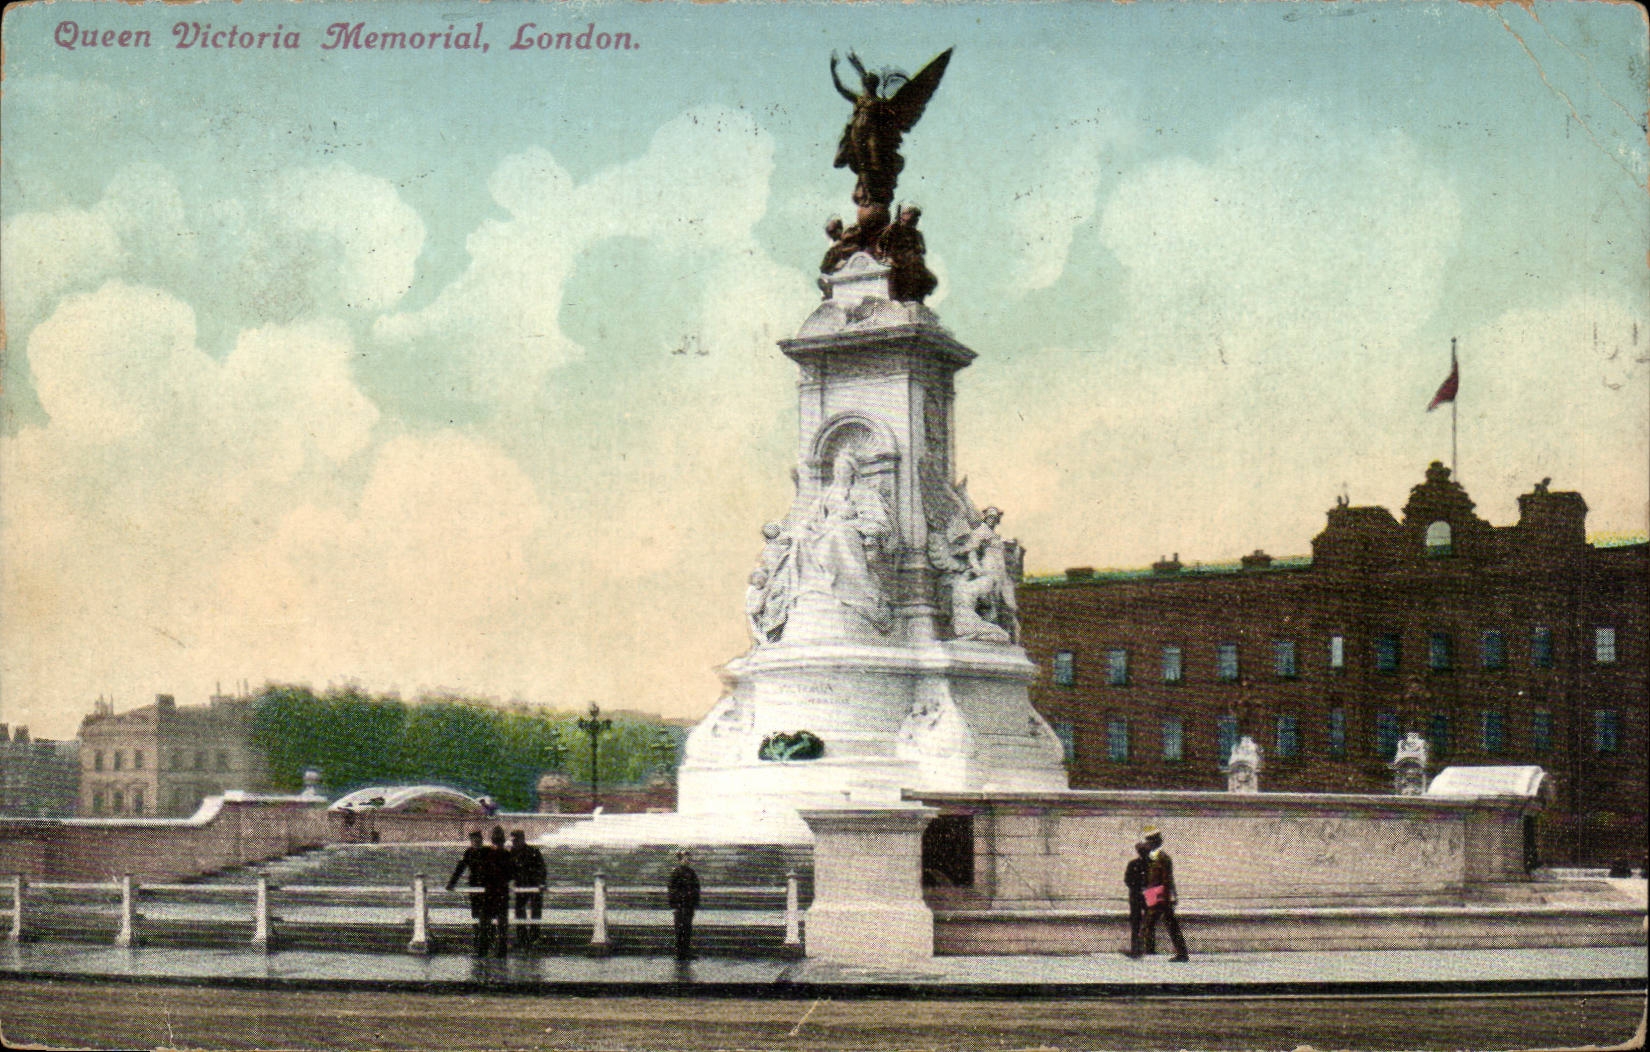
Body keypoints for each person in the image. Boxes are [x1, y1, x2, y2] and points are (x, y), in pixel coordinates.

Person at [1139, 826, 1190, 961]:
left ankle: (1181, 954)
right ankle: (1148, 950)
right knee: (1150, 922)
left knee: (1164, 923)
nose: (1146, 845)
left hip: (1161, 895)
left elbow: (1167, 879)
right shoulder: (1151, 857)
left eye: (1148, 842)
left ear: (1154, 843)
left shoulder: (1163, 858)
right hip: (1153, 893)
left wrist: (1169, 896)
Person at [476, 826, 515, 957]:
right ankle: (501, 952)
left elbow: (481, 873)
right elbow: (512, 874)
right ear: (503, 841)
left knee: (484, 924)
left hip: (489, 893)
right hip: (502, 893)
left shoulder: (486, 853)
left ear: (492, 840)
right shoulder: (507, 855)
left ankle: (483, 951)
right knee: (502, 926)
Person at [509, 829, 547, 949]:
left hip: (534, 885)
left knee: (535, 910)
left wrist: (541, 883)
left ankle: (535, 937)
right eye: (513, 841)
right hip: (521, 886)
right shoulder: (512, 853)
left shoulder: (533, 851)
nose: (514, 843)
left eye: (516, 840)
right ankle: (522, 938)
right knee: (519, 911)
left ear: (522, 839)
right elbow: (510, 870)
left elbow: (541, 869)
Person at [447, 831, 490, 934]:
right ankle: (477, 933)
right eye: (474, 841)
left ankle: (487, 933)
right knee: (475, 910)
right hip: (474, 885)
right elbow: (460, 868)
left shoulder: (488, 851)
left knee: (487, 911)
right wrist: (452, 883)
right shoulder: (469, 853)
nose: (477, 843)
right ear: (471, 842)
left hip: (487, 885)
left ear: (482, 840)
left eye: (478, 840)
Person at [667, 849, 702, 961]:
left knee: (687, 929)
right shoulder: (676, 872)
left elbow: (696, 887)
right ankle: (679, 953)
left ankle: (686, 952)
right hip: (680, 906)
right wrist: (675, 904)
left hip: (689, 905)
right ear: (680, 860)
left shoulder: (692, 873)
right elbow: (671, 889)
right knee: (679, 930)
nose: (687, 860)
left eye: (688, 859)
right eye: (685, 858)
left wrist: (695, 902)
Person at [1122, 840, 1151, 958]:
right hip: (1136, 895)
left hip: (1149, 895)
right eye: (1141, 851)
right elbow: (1127, 879)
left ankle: (1148, 948)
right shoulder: (1133, 864)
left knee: (1149, 921)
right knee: (1136, 922)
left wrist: (1147, 889)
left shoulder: (1153, 864)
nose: (1143, 853)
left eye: (1145, 851)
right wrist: (1138, 888)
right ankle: (1136, 948)